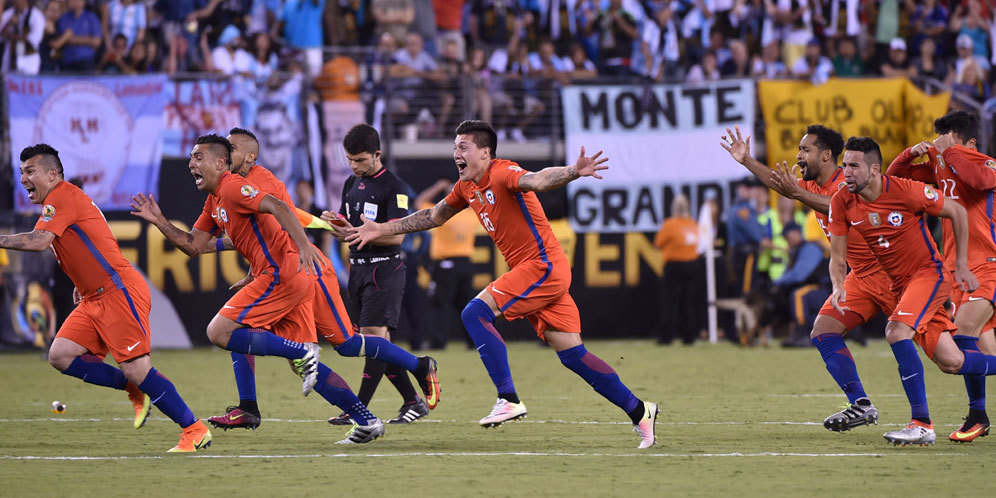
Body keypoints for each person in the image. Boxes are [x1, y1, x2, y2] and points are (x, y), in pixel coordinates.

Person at [337, 120, 660, 449]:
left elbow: (536, 179)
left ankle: (508, 398)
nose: (456, 154)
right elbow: (433, 216)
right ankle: (640, 411)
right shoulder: (467, 187)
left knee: (474, 313)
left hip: (543, 265)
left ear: (485, 152)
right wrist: (380, 229)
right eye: (454, 147)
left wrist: (573, 171)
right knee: (573, 355)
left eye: (463, 147)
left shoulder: (502, 171)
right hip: (535, 270)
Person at [130, 134, 385, 445]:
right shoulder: (215, 201)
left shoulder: (234, 186)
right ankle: (366, 420)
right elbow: (192, 245)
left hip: (282, 274)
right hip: (278, 275)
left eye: (199, 157)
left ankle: (270, 386)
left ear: (221, 163)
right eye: (191, 157)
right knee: (297, 366)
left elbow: (278, 205)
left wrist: (304, 246)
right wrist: (158, 220)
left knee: (219, 331)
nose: (191, 163)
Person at [0, 144, 210, 453]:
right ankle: (134, 390)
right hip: (93, 295)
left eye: (30, 171)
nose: (24, 179)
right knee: (61, 355)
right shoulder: (62, 201)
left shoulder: (62, 196)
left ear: (52, 173)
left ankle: (194, 429)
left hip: (118, 292)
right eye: (21, 173)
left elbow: (39, 241)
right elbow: (89, 240)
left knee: (139, 369)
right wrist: (82, 281)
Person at [723, 124, 892, 432]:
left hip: (893, 273)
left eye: (805, 149)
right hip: (861, 276)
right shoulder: (813, 184)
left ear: (826, 155)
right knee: (824, 331)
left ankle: (932, 419)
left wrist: (797, 193)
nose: (798, 155)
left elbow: (841, 206)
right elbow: (780, 184)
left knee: (943, 352)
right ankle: (861, 404)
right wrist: (747, 160)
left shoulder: (848, 181)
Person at [829, 136, 996, 446]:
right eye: (845, 165)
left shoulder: (906, 191)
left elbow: (957, 212)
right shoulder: (842, 201)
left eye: (854, 166)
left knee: (895, 331)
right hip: (901, 285)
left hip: (928, 275)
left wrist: (960, 265)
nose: (846, 172)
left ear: (874, 169)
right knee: (952, 362)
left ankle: (921, 424)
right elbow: (837, 258)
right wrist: (839, 285)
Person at [886, 110, 996, 442]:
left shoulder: (987, 163)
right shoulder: (941, 164)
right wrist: (911, 154)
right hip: (956, 269)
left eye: (947, 137)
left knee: (962, 337)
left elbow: (978, 182)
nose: (940, 142)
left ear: (970, 143)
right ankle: (979, 416)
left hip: (989, 263)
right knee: (982, 349)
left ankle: (977, 414)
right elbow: (893, 180)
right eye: (939, 137)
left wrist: (948, 152)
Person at [323, 124, 434, 426]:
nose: (354, 166)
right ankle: (413, 401)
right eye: (349, 159)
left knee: (372, 338)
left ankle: (357, 409)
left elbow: (398, 237)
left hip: (384, 269)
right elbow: (349, 234)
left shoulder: (395, 188)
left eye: (359, 160)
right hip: (357, 271)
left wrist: (362, 235)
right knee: (374, 344)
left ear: (377, 155)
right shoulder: (350, 184)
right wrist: (334, 226)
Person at [415, 178, 479, 349]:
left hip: (445, 264)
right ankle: (473, 342)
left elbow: (419, 202)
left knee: (440, 304)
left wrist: (438, 186)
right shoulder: (471, 214)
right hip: (465, 264)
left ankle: (438, 341)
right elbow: (480, 202)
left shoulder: (442, 214)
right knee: (466, 305)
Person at [653, 194, 701, 345]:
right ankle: (689, 337)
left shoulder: (670, 224)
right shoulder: (693, 224)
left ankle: (667, 337)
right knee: (688, 304)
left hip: (674, 266)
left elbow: (658, 243)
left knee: (670, 303)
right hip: (692, 265)